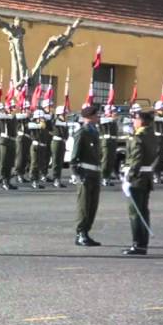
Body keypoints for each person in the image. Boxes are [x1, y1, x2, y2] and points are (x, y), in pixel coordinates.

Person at [121, 110, 158, 255]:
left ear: (141, 122)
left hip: (137, 178)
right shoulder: (151, 135)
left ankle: (137, 244)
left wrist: (128, 179)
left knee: (135, 213)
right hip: (146, 177)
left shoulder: (138, 137)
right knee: (143, 211)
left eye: (135, 120)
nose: (133, 122)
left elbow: (136, 159)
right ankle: (143, 243)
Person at [70, 105, 102, 247]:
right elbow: (74, 158)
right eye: (96, 115)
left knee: (92, 205)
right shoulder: (82, 133)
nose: (98, 117)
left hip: (95, 173)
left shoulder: (94, 131)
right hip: (85, 174)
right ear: (90, 116)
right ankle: (80, 233)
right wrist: (77, 175)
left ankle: (86, 232)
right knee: (84, 206)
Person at [0, 102, 18, 190]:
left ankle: (8, 180)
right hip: (4, 141)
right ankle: (3, 180)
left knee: (10, 162)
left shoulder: (13, 117)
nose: (13, 109)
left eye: (14, 107)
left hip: (12, 141)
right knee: (4, 161)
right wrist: (8, 113)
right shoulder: (3, 116)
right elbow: (0, 116)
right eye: (11, 107)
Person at [99, 104, 118, 186]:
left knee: (111, 160)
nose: (115, 113)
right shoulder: (104, 120)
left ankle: (108, 177)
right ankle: (103, 177)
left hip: (112, 142)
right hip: (106, 142)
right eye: (113, 111)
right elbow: (103, 122)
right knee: (105, 160)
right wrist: (110, 117)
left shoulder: (113, 121)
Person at [51, 105, 70, 188]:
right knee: (56, 161)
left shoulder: (64, 123)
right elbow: (53, 122)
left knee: (60, 162)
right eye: (63, 114)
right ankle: (55, 179)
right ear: (59, 114)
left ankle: (58, 178)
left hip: (62, 142)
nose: (65, 115)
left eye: (65, 114)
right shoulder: (56, 121)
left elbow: (66, 134)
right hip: (56, 142)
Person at [28, 109, 47, 190]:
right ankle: (33, 180)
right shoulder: (32, 124)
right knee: (34, 163)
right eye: (41, 117)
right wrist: (39, 124)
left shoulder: (44, 125)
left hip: (42, 146)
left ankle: (37, 180)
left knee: (40, 164)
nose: (42, 119)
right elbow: (31, 126)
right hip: (35, 146)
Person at [14, 100, 31, 184]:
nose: (29, 110)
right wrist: (23, 114)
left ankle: (22, 174)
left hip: (27, 139)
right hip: (21, 139)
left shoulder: (28, 119)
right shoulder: (19, 118)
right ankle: (18, 174)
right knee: (20, 157)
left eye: (29, 108)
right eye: (27, 108)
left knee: (25, 158)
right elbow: (17, 118)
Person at [152, 101, 163, 184]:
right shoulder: (155, 117)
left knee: (160, 160)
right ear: (158, 109)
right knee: (156, 159)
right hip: (157, 140)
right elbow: (159, 119)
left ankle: (157, 176)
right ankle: (151, 175)